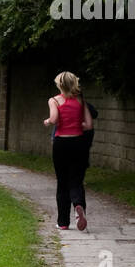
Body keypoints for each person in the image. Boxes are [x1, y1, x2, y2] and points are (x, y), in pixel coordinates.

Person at [43, 71, 93, 231]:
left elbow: (54, 119)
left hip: (61, 144)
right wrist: (79, 124)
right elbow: (89, 125)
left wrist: (47, 121)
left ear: (59, 85)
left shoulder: (54, 100)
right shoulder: (80, 100)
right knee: (76, 179)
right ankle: (79, 206)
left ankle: (63, 222)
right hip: (79, 143)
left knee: (62, 182)